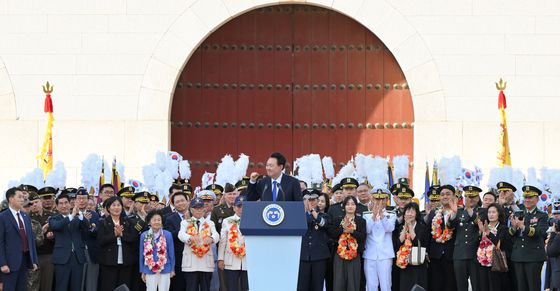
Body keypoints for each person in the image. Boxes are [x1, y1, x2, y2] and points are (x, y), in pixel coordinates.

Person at [508, 185, 548, 291]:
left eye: (530, 197)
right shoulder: (518, 213)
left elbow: (541, 233)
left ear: (537, 199)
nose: (527, 200)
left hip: (534, 257)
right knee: (521, 287)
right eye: (525, 197)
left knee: (533, 286)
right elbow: (510, 234)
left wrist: (522, 227)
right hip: (518, 256)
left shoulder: (542, 215)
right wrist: (515, 227)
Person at [0, 187, 39, 291]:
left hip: (24, 261)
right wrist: (2, 263)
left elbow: (30, 240)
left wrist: (34, 260)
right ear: (11, 199)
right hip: (9, 264)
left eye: (23, 197)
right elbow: (1, 242)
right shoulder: (2, 217)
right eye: (20, 197)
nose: (23, 199)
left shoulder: (25, 217)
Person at [48, 194, 90, 291]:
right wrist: (71, 216)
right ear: (57, 206)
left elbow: (87, 226)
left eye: (66, 203)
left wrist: (79, 215)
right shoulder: (53, 219)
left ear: (70, 204)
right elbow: (57, 226)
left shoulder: (77, 218)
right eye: (61, 203)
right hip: (62, 259)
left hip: (77, 258)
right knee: (61, 287)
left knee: (76, 287)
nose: (64, 206)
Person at [97, 196, 139, 290]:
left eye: (119, 205)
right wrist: (114, 234)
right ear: (108, 208)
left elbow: (133, 237)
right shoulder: (103, 222)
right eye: (113, 205)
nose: (116, 208)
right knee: (108, 287)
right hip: (109, 263)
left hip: (126, 262)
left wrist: (122, 234)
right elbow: (101, 240)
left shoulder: (128, 222)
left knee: (124, 287)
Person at [179, 197, 220, 291]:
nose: (199, 210)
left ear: (204, 209)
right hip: (191, 264)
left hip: (206, 264)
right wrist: (190, 237)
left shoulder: (210, 223)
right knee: (191, 288)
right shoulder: (185, 222)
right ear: (191, 209)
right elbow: (181, 234)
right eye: (196, 208)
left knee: (206, 288)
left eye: (201, 208)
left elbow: (216, 235)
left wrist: (211, 238)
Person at [329, 196, 366, 291]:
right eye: (348, 204)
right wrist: (342, 228)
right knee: (339, 281)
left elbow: (363, 237)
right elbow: (332, 234)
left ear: (356, 206)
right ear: (344, 206)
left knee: (353, 281)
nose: (350, 206)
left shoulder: (361, 221)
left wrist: (352, 231)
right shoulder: (338, 220)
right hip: (339, 254)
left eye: (353, 204)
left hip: (355, 254)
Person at [449, 185, 482, 291]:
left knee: (476, 285)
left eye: (472, 197)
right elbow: (451, 226)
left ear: (477, 198)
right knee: (461, 285)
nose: (469, 199)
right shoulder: (459, 211)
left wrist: (469, 209)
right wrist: (453, 213)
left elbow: (479, 223)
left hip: (475, 254)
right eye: (467, 196)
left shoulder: (482, 211)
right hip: (459, 253)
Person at [297, 189, 331, 291]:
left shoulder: (324, 216)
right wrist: (306, 211)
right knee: (302, 286)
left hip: (319, 256)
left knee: (317, 285)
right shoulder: (298, 216)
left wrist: (312, 211)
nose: (310, 202)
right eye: (307, 199)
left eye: (313, 199)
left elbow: (325, 225)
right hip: (302, 255)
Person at [363, 187, 396, 291]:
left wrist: (382, 216)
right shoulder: (366, 215)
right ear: (372, 199)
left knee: (386, 285)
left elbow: (389, 228)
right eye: (377, 199)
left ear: (387, 200)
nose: (379, 202)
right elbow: (367, 230)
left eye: (382, 199)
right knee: (371, 285)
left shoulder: (391, 214)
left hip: (385, 255)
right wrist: (373, 215)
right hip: (370, 254)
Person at [426, 185, 458, 291]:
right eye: (442, 194)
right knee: (435, 284)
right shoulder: (433, 213)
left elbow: (455, 227)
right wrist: (426, 251)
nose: (445, 196)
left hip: (452, 255)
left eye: (448, 194)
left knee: (450, 285)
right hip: (435, 255)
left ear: (454, 196)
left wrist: (454, 214)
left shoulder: (459, 212)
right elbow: (427, 234)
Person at [393, 202, 429, 291]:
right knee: (405, 286)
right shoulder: (400, 227)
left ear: (416, 213)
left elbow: (417, 242)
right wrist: (405, 227)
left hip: (418, 262)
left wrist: (410, 226)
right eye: (408, 211)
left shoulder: (422, 227)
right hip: (405, 263)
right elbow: (398, 243)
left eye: (412, 211)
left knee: (418, 286)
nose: (410, 214)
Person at [477, 203, 511, 291]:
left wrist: (489, 234)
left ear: (498, 214)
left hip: (497, 264)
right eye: (489, 212)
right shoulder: (485, 227)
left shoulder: (503, 228)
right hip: (483, 263)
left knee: (495, 287)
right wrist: (481, 233)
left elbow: (500, 245)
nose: (491, 214)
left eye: (493, 212)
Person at [218, 196, 249, 291]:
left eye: (244, 206)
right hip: (230, 259)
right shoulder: (227, 221)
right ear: (234, 207)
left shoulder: (253, 220)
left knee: (247, 287)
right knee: (231, 287)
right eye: (239, 206)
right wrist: (220, 258)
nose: (241, 209)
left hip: (247, 260)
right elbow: (222, 241)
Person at [140, 211, 175, 291]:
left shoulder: (168, 234)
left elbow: (171, 253)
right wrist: (142, 271)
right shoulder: (144, 235)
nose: (157, 222)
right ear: (149, 222)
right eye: (154, 220)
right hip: (149, 269)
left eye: (159, 220)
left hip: (165, 268)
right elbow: (141, 254)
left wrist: (172, 269)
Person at [164, 192, 190, 291]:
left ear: (188, 201)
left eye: (182, 200)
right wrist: (185, 223)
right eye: (177, 202)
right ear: (174, 205)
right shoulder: (169, 219)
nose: (180, 203)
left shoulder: (196, 215)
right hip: (178, 257)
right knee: (179, 285)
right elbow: (170, 236)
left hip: (195, 256)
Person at [76, 188, 100, 291]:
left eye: (84, 198)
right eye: (79, 198)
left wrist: (89, 225)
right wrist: (84, 220)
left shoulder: (94, 214)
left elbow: (96, 231)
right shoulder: (73, 214)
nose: (81, 201)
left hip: (91, 251)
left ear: (88, 199)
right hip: (76, 252)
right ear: (76, 200)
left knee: (91, 283)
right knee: (77, 282)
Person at [33, 186, 57, 291]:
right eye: (44, 199)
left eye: (50, 198)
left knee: (47, 286)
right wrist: (42, 233)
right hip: (34, 256)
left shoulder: (54, 215)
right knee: (33, 286)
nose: (47, 201)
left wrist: (52, 237)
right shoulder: (28, 217)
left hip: (49, 255)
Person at [23, 194, 43, 291]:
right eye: (25, 206)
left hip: (31, 264)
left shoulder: (35, 224)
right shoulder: (8, 222)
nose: (27, 208)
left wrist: (30, 237)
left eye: (28, 206)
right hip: (15, 265)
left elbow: (40, 242)